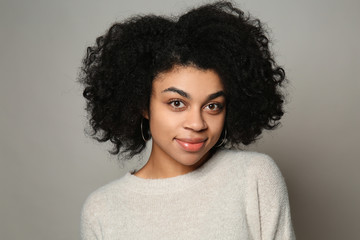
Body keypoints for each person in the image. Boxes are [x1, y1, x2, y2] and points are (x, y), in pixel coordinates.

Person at [79, 1, 295, 239]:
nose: (197, 123)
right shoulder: (102, 209)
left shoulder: (254, 177)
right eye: (177, 103)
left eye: (212, 106)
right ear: (143, 105)